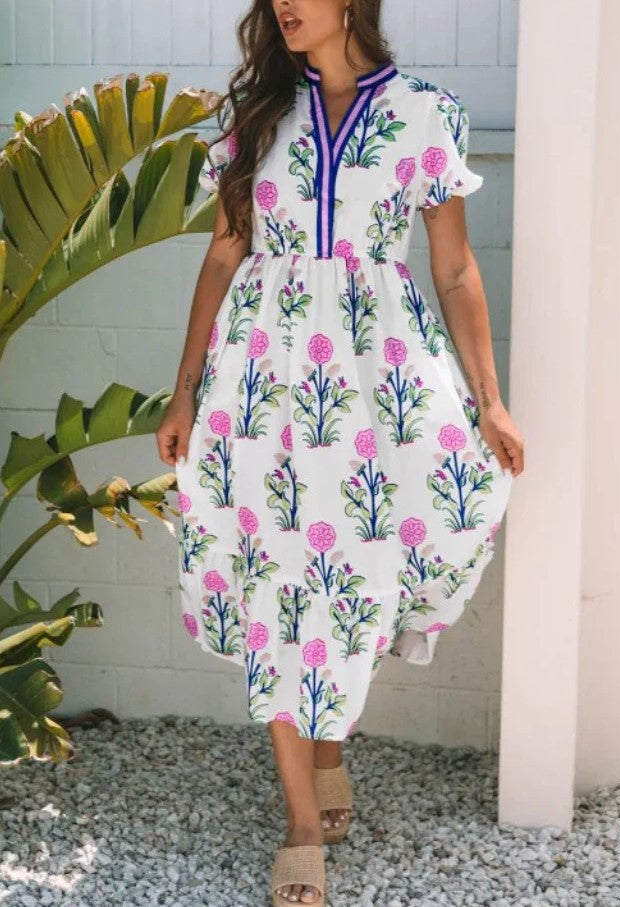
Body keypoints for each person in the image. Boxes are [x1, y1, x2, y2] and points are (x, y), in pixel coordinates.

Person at [156, 0, 525, 903]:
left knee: (353, 571)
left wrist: (489, 400)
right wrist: (185, 387)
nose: (282, 4)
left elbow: (453, 269)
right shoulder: (257, 117)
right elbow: (224, 256)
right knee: (275, 579)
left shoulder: (425, 114)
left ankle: (327, 755)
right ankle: (299, 820)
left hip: (372, 384)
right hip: (259, 385)